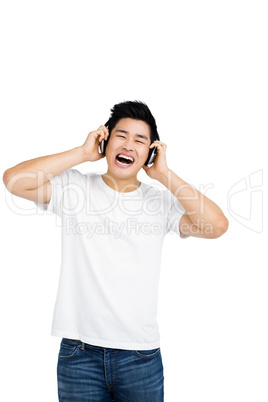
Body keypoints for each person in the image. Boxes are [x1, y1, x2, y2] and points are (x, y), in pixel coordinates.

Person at [3, 100, 229, 401]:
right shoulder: (75, 189)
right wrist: (83, 153)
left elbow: (216, 226)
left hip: (140, 356)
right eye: (121, 135)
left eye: (140, 140)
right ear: (105, 140)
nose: (129, 145)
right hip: (79, 354)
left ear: (151, 151)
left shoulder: (159, 203)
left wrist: (164, 175)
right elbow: (13, 181)